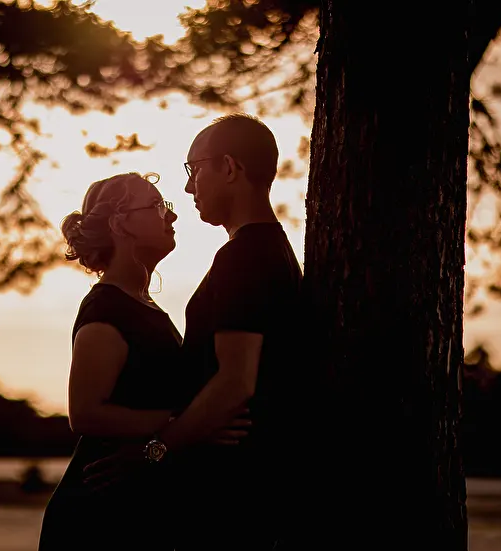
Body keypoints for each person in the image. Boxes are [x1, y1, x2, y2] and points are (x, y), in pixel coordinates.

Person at [86, 113, 307, 549]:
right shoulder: (267, 250)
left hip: (234, 498)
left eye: (194, 170)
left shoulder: (245, 257)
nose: (187, 189)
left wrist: (155, 450)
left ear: (229, 168)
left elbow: (235, 380)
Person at [37, 172, 249, 550]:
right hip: (97, 515)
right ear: (121, 224)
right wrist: (187, 426)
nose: (172, 216)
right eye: (157, 206)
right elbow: (84, 413)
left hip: (131, 507)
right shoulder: (106, 307)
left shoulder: (143, 305)